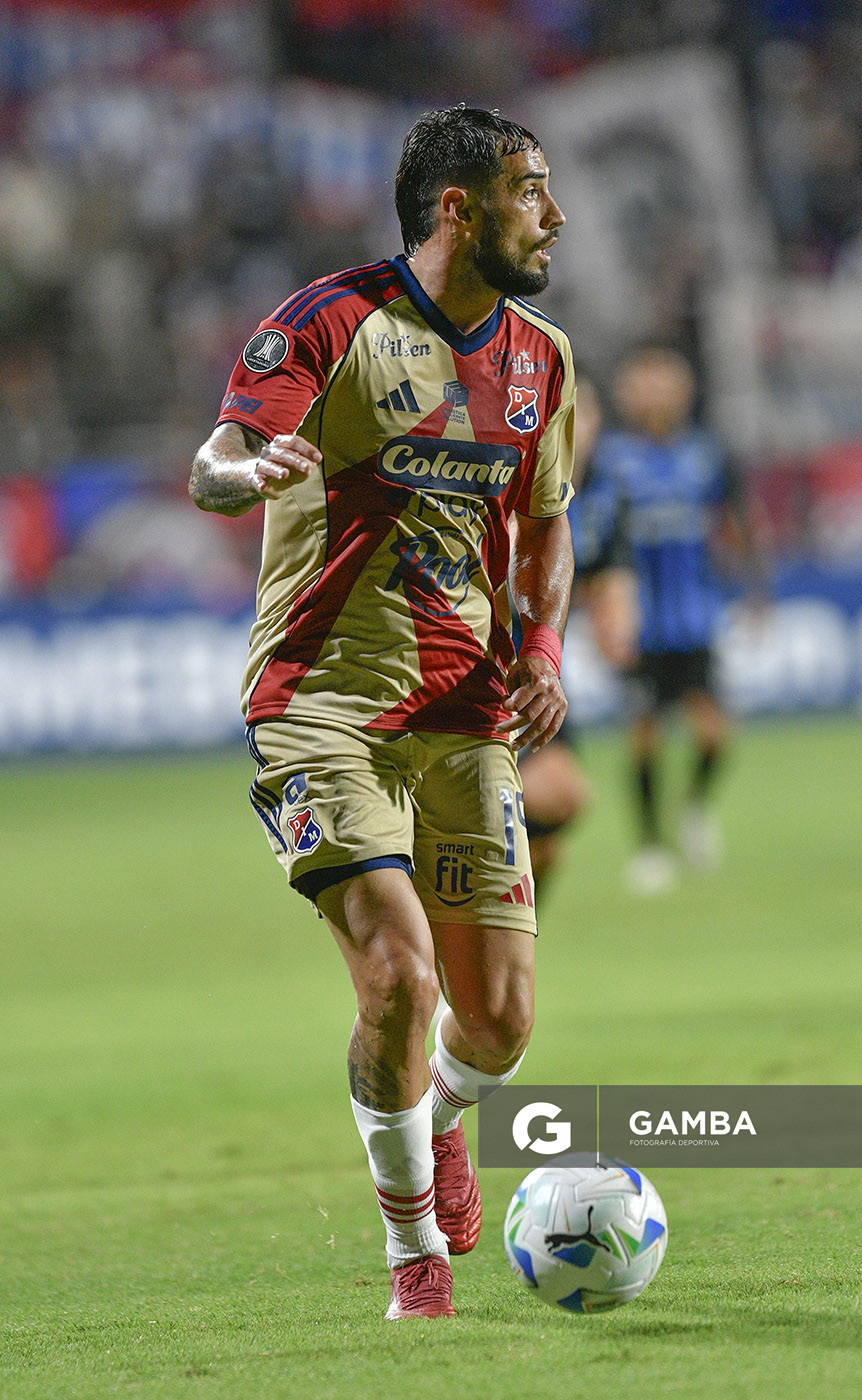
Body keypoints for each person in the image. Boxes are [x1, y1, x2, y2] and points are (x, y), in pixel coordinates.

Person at [189, 105, 574, 1319]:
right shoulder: (330, 321)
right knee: (399, 975)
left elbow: (548, 519)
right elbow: (212, 460)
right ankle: (414, 1256)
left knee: (502, 1022)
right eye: (531, 191)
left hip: (466, 709)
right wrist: (245, 472)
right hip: (318, 701)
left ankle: (442, 1122)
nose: (553, 213)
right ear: (458, 209)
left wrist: (546, 643)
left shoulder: (545, 359)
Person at [592, 345, 760, 894]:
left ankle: (693, 808)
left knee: (716, 733)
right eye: (645, 383)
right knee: (643, 737)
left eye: (666, 381)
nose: (655, 393)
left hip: (696, 621)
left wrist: (757, 587)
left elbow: (736, 521)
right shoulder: (609, 458)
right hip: (640, 625)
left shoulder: (706, 453)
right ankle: (650, 847)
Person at [517, 374, 638, 898]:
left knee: (549, 831)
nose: (575, 425)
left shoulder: (605, 496)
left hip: (538, 671)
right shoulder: (509, 477)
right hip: (483, 660)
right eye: (563, 411)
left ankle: (505, 951)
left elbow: (608, 580)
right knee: (554, 795)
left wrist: (615, 620)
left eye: (584, 413)